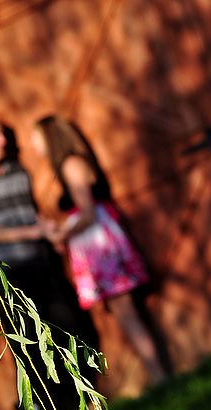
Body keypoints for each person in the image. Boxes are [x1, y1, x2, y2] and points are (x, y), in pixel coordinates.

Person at [0, 116, 99, 410]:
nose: (2, 141)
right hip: (8, 278)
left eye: (3, 135)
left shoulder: (18, 171)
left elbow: (31, 212)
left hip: (43, 265)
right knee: (31, 345)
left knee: (72, 331)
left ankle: (82, 402)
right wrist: (32, 231)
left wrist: (46, 230)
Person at [31, 115, 167, 385]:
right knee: (125, 312)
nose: (34, 145)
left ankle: (160, 377)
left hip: (98, 245)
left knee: (127, 314)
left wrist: (61, 233)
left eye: (36, 138)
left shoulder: (71, 164)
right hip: (96, 242)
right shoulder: (71, 164)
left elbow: (88, 213)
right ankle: (160, 376)